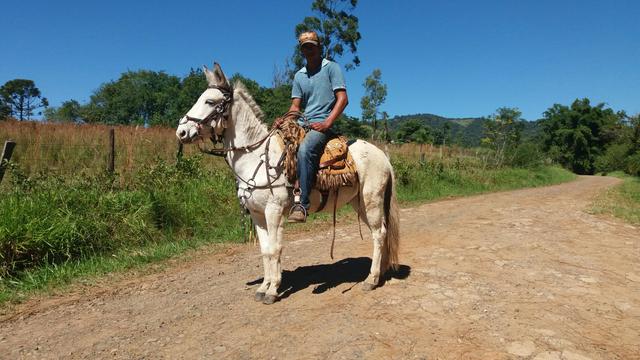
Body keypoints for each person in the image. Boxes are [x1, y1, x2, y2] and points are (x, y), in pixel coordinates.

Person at [276, 31, 349, 223]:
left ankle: (302, 204)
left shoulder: (331, 68)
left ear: (318, 47)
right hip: (302, 124)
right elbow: (295, 106)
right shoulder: (299, 76)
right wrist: (284, 119)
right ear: (302, 51)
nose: (308, 50)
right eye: (304, 47)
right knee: (275, 144)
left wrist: (327, 123)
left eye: (311, 46)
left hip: (321, 125)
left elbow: (343, 99)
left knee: (305, 150)